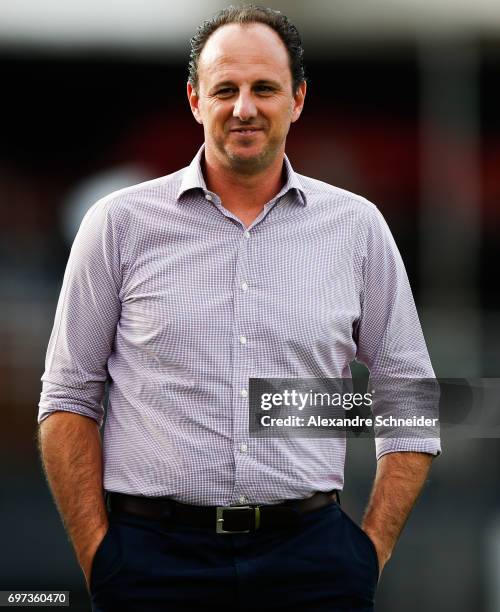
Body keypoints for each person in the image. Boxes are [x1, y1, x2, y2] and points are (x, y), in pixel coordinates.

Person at [37, 5, 441, 612]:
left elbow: (408, 393)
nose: (244, 107)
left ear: (298, 99)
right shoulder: (118, 225)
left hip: (312, 562)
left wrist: (368, 552)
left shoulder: (356, 228)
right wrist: (100, 556)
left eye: (265, 88)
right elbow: (67, 397)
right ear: (196, 100)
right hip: (153, 562)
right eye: (225, 88)